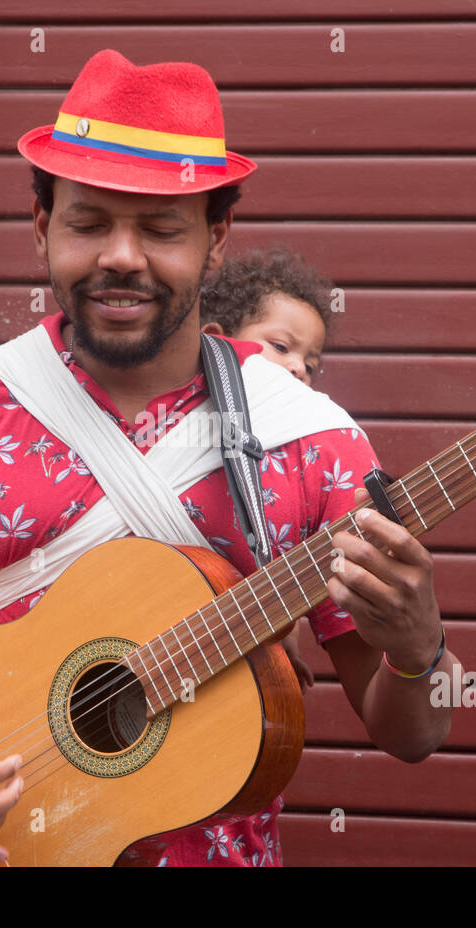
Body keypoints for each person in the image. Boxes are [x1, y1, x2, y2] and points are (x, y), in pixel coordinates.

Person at [0, 49, 458, 867]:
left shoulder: (307, 438)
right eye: (88, 221)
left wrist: (417, 650)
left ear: (217, 240)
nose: (121, 255)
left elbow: (413, 735)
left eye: (159, 227)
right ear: (42, 227)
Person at [199, 247, 337, 690]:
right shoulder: (177, 426)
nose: (298, 368)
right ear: (217, 341)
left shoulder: (308, 452)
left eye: (311, 364)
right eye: (281, 347)